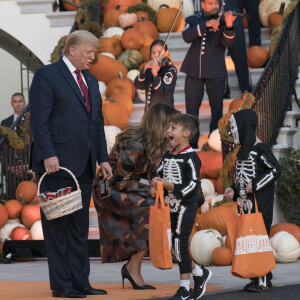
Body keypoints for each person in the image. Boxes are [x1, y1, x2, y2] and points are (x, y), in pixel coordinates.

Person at [29, 30, 113, 298]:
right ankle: (62, 285)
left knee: (78, 229)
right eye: (89, 51)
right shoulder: (48, 75)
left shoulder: (90, 79)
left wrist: (103, 158)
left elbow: (96, 123)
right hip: (57, 166)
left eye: (94, 52)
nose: (93, 56)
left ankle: (81, 282)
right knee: (58, 229)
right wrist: (47, 154)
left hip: (85, 165)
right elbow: (39, 120)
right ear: (72, 50)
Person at [94, 103, 179, 290]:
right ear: (160, 124)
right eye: (171, 126)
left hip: (128, 186)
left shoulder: (158, 144)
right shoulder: (134, 144)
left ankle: (132, 267)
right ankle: (132, 268)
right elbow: (120, 181)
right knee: (152, 212)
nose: (174, 130)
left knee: (158, 211)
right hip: (107, 189)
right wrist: (148, 187)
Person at [151, 114, 212, 300]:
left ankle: (184, 288)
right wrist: (155, 182)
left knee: (179, 242)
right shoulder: (168, 155)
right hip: (170, 206)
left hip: (186, 205)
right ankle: (200, 272)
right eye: (168, 128)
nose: (168, 131)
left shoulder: (191, 157)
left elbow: (194, 184)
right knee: (173, 245)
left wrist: (172, 187)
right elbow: (160, 172)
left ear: (186, 133)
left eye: (173, 128)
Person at [223, 109, 282, 292]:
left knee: (259, 240)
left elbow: (275, 170)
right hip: (245, 204)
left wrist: (255, 185)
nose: (232, 133)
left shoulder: (261, 149)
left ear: (244, 128)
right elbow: (242, 177)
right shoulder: (243, 151)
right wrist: (233, 189)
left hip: (260, 204)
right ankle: (256, 277)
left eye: (234, 129)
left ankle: (263, 279)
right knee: (249, 240)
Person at [180, 0, 236, 147]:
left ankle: (214, 144)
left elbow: (228, 43)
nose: (214, 6)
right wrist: (205, 25)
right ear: (203, 4)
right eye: (210, 3)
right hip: (194, 70)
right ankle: (191, 144)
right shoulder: (193, 20)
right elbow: (186, 36)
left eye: (215, 3)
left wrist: (229, 25)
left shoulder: (224, 21)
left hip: (216, 72)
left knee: (217, 110)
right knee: (191, 111)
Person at [134, 39, 177, 110]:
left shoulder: (170, 69)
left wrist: (155, 74)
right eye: (153, 52)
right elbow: (138, 85)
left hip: (164, 114)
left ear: (166, 53)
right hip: (150, 113)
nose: (156, 55)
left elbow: (162, 91)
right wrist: (144, 69)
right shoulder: (148, 69)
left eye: (159, 52)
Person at [224, 0, 253, 98]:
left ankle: (246, 89)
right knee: (217, 58)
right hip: (214, 19)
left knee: (240, 56)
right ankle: (223, 90)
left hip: (233, 16)